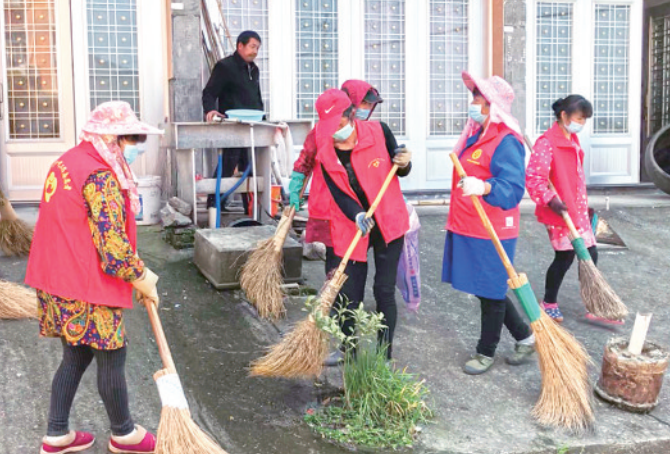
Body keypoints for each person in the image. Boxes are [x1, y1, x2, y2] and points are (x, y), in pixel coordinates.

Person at [25, 102, 163, 454]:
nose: (135, 149)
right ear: (113, 140)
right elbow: (113, 249)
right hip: (83, 283)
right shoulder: (100, 176)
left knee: (75, 355)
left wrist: (137, 270)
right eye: (132, 142)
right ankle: (124, 434)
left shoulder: (69, 161)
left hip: (55, 278)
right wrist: (141, 276)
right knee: (111, 355)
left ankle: (57, 435)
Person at [442, 72, 535, 375]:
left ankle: (486, 352)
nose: (473, 105)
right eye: (473, 99)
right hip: (470, 223)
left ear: (493, 106)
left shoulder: (507, 141)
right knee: (488, 288)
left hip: (493, 227)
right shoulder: (475, 135)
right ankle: (525, 336)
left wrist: (485, 187)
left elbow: (512, 189)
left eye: (479, 101)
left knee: (491, 290)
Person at [313, 89, 411, 365]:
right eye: (330, 127)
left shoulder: (379, 131)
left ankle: (384, 356)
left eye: (340, 125)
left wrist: (405, 163)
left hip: (388, 221)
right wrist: (356, 214)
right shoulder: (326, 149)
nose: (336, 132)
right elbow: (338, 192)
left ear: (351, 114)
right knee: (348, 293)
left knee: (383, 290)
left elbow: (400, 165)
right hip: (353, 224)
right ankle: (348, 350)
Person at [526, 96, 620, 325]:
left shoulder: (573, 138)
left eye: (584, 120)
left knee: (590, 253)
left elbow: (575, 176)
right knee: (565, 256)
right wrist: (551, 200)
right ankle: (548, 303)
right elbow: (534, 179)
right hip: (559, 212)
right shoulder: (546, 143)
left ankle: (596, 303)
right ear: (564, 115)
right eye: (579, 118)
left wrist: (582, 204)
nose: (582, 124)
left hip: (577, 210)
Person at [288, 80, 395, 264]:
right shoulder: (320, 132)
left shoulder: (372, 131)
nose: (367, 109)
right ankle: (335, 287)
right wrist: (295, 188)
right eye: (364, 103)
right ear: (351, 104)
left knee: (358, 255)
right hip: (331, 202)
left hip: (361, 208)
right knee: (336, 256)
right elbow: (304, 161)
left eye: (370, 105)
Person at [202, 30, 264, 215]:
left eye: (258, 48)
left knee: (250, 167)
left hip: (251, 127)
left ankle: (250, 209)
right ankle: (214, 205)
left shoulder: (254, 69)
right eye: (252, 47)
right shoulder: (225, 67)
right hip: (231, 126)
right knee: (228, 164)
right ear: (240, 46)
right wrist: (210, 110)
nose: (255, 51)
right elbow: (209, 92)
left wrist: (263, 119)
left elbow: (256, 97)